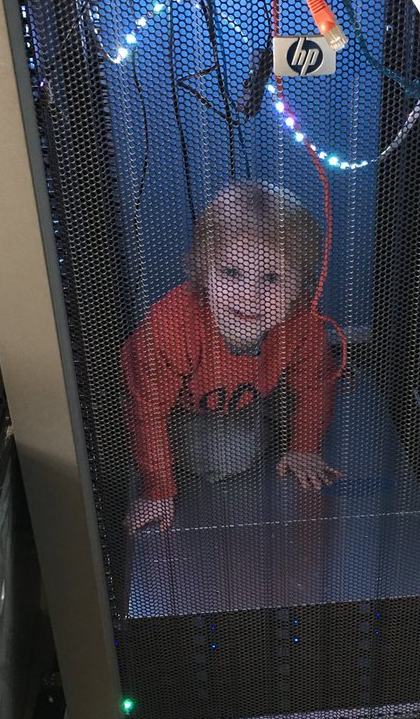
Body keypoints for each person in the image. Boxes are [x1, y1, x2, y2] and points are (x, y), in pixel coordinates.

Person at [121, 180, 341, 532]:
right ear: (203, 271)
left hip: (258, 384)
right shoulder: (171, 328)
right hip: (184, 404)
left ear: (300, 287)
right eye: (231, 272)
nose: (249, 295)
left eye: (271, 278)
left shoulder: (303, 321)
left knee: (320, 393)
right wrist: (157, 490)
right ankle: (260, 422)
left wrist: (305, 447)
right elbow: (147, 410)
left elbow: (316, 385)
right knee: (225, 456)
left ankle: (273, 417)